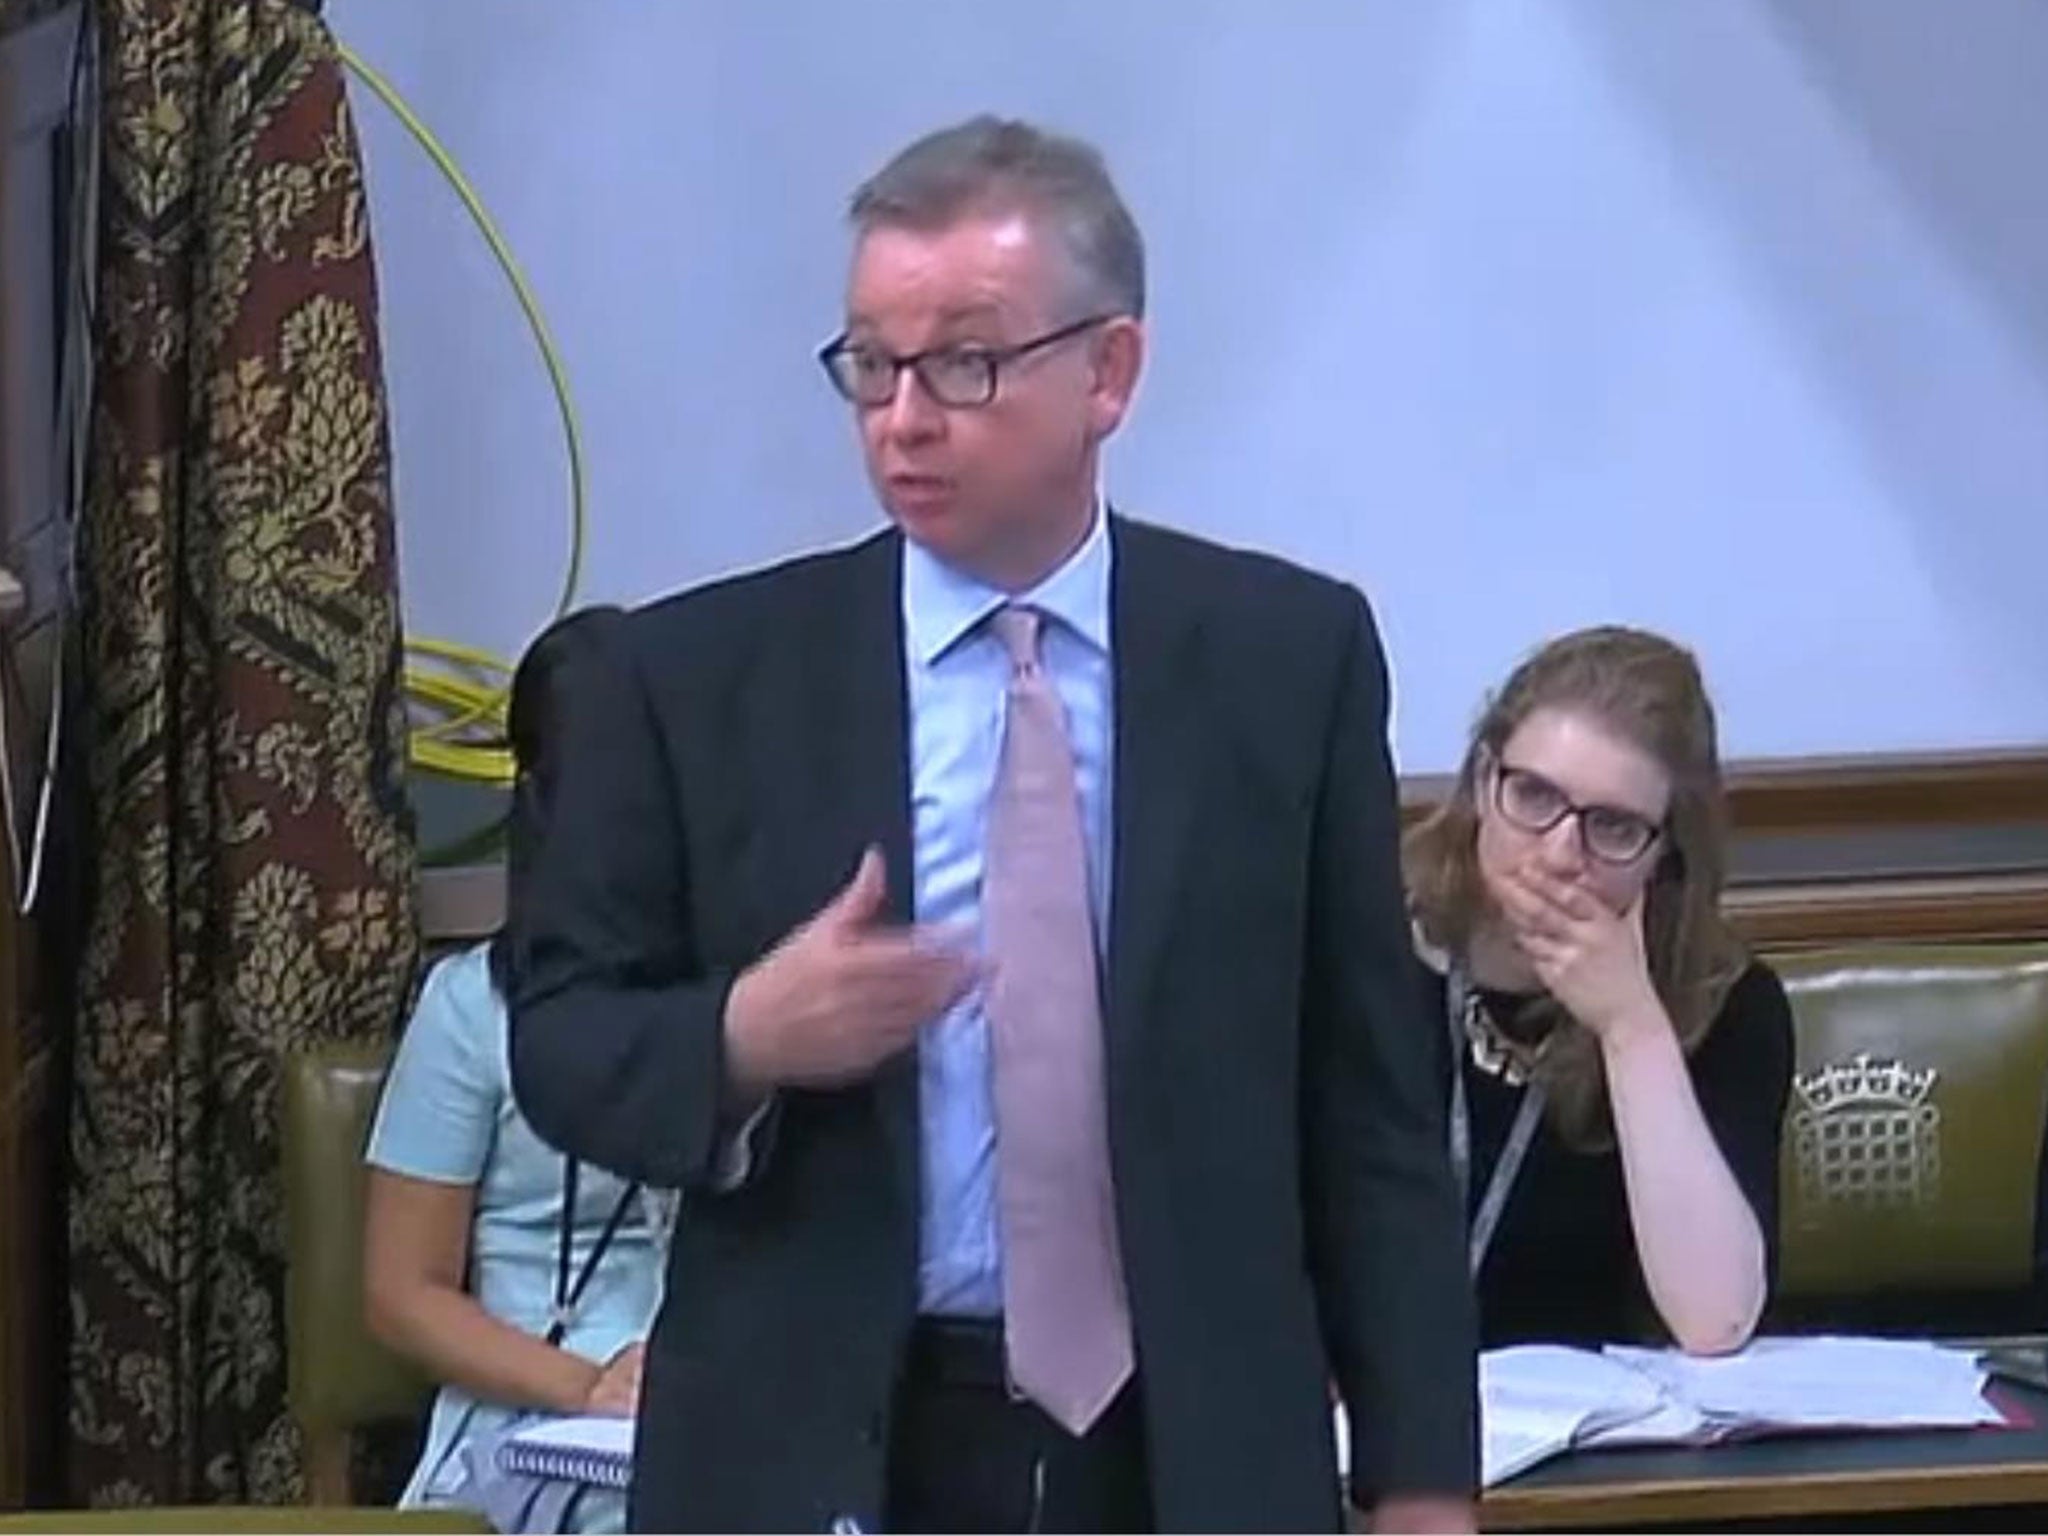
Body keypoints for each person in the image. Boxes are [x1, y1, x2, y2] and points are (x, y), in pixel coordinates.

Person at [506, 116, 1475, 1534]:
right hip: (831, 1449)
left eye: (964, 363)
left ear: (1111, 372)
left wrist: (1424, 1482)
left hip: (1191, 1448)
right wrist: (742, 1036)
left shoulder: (1285, 661)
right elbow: (561, 1041)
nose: (904, 418)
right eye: (871, 367)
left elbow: (1374, 1107)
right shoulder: (694, 681)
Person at [1403, 625, 1795, 1354]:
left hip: (1599, 1452)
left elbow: (1715, 1321)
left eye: (1612, 827)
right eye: (1533, 795)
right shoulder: (1362, 948)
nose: (1558, 853)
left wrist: (1630, 1025)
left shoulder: (1726, 1004)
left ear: (1666, 853)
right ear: (1484, 781)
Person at [364, 607, 670, 1533]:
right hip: (539, 1413)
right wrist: (591, 1388)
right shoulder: (469, 1010)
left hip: (719, 1403)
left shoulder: (750, 997)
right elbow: (400, 1292)